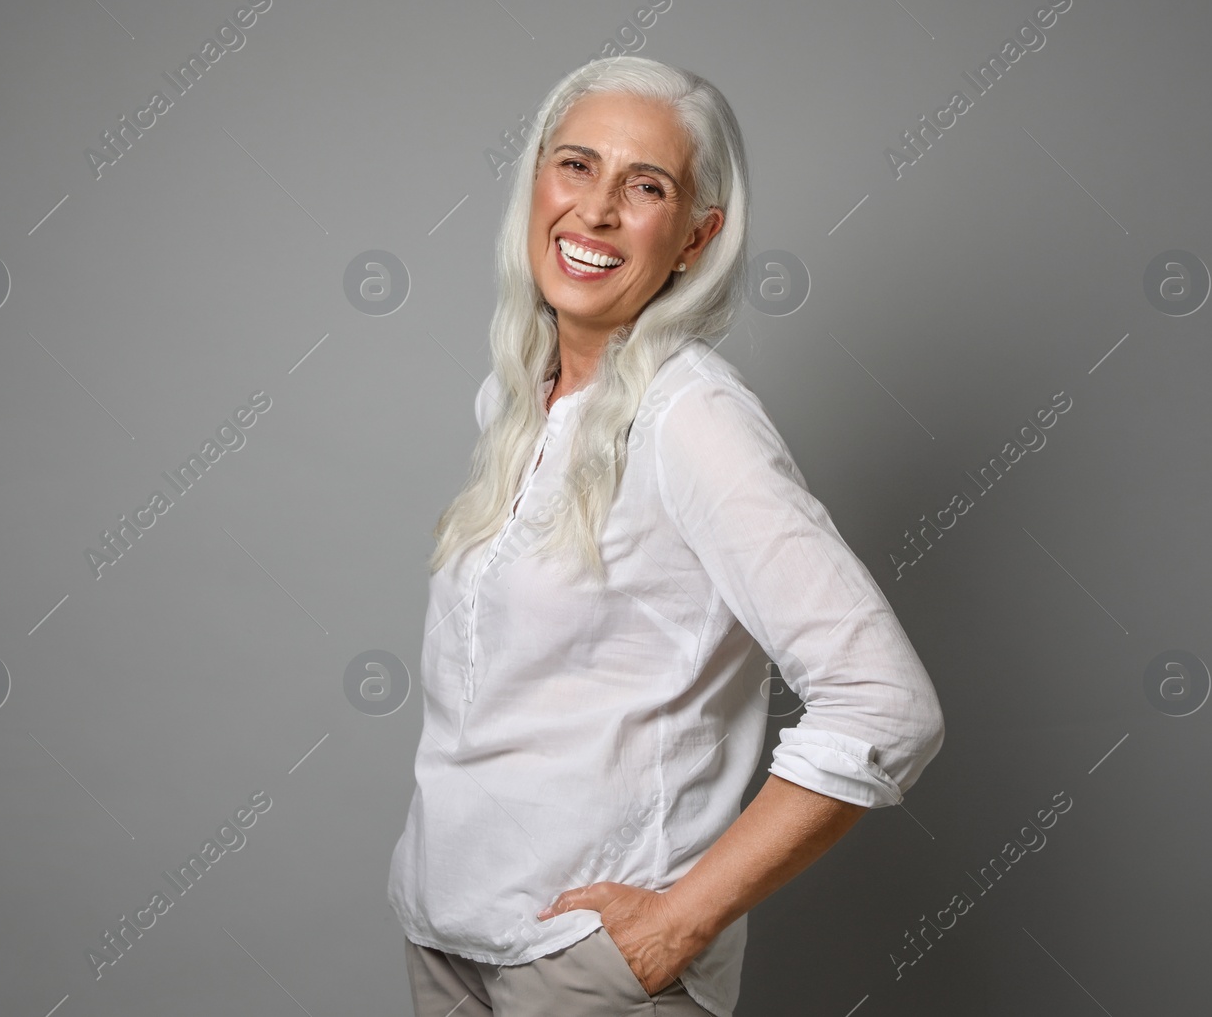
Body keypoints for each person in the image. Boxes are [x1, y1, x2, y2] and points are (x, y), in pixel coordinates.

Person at [387, 55, 944, 1017]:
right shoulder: (517, 400)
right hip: (447, 941)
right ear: (535, 185)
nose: (595, 212)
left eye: (644, 187)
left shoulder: (693, 418)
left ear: (695, 237)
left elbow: (885, 706)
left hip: (583, 969)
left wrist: (677, 925)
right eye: (575, 167)